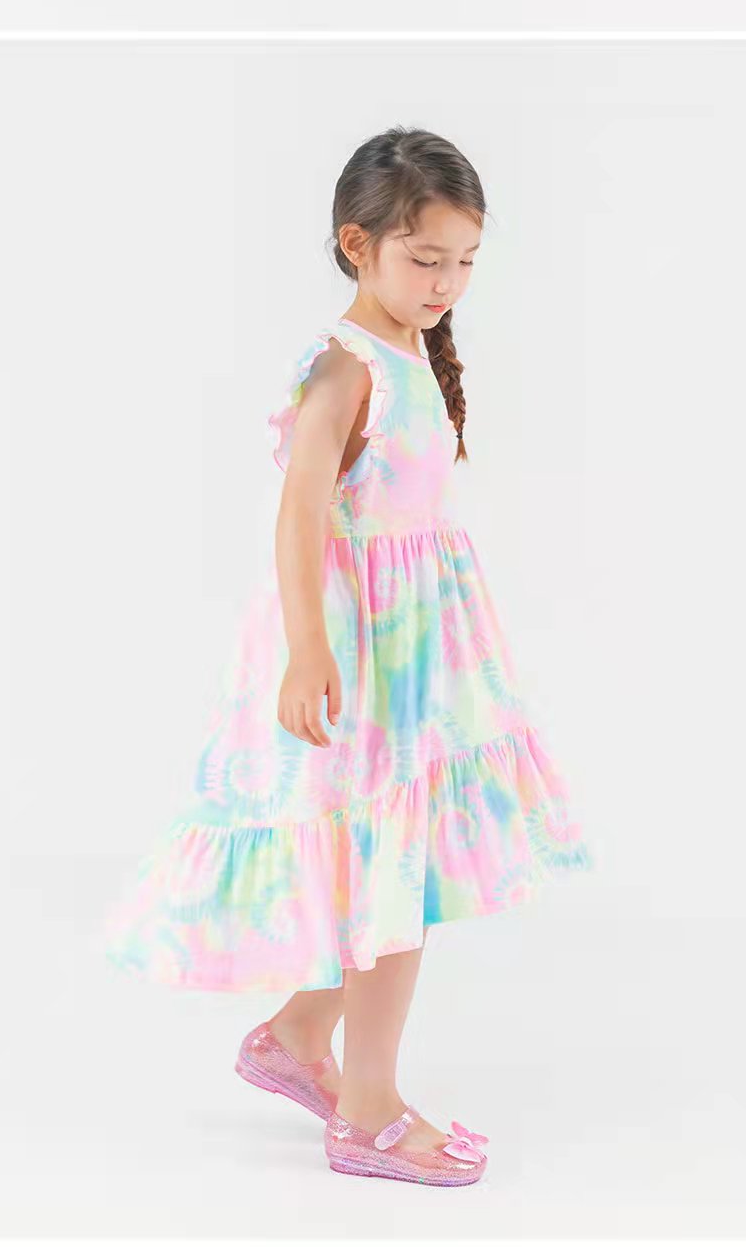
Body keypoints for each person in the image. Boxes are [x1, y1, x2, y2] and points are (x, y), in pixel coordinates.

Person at [108, 124, 588, 1191]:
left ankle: (295, 1040)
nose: (446, 283)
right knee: (389, 871)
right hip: (361, 657)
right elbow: (299, 516)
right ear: (356, 245)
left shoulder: (413, 352)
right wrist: (307, 653)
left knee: (395, 869)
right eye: (425, 259)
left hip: (419, 657)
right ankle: (366, 1110)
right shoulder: (344, 365)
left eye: (464, 262)